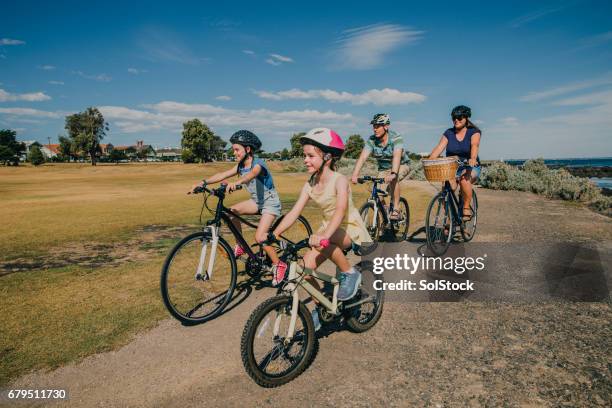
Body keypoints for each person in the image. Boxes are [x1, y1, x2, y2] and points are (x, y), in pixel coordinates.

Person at [271, 128, 372, 330]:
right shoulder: (310, 183)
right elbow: (294, 212)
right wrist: (273, 233)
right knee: (304, 271)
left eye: (310, 156)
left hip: (348, 228)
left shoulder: (339, 180)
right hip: (328, 230)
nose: (305, 160)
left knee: (326, 238)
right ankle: (322, 306)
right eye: (304, 156)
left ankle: (350, 273)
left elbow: (341, 210)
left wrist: (324, 235)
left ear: (327, 157)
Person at [190, 130, 287, 285]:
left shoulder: (258, 164)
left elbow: (251, 175)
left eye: (236, 149)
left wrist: (237, 182)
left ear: (247, 149)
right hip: (256, 201)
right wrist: (203, 183)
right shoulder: (240, 166)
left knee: (260, 237)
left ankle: (279, 264)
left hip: (270, 203)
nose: (233, 152)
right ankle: (240, 245)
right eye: (233, 149)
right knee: (232, 211)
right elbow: (222, 174)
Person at [351, 113, 410, 220]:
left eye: (378, 126)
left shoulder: (396, 138)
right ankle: (385, 213)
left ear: (386, 126)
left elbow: (396, 157)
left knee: (393, 179)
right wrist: (355, 174)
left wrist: (393, 173)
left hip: (401, 165)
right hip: (383, 169)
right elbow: (363, 157)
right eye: (374, 126)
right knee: (377, 193)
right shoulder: (372, 140)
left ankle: (396, 208)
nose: (375, 129)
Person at [428, 105, 482, 220]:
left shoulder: (474, 132)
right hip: (452, 167)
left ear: (466, 118)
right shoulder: (449, 133)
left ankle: (466, 208)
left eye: (459, 117)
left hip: (470, 166)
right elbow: (439, 148)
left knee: (464, 180)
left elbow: (475, 145)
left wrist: (472, 158)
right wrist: (430, 160)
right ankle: (448, 219)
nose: (456, 120)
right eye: (454, 118)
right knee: (446, 190)